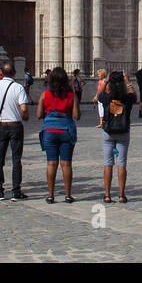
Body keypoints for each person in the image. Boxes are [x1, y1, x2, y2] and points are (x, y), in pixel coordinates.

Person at [37, 66, 80, 202]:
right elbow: (76, 116)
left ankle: (50, 195)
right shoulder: (71, 95)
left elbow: (38, 115)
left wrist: (49, 113)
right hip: (66, 130)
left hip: (50, 130)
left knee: (51, 163)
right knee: (66, 164)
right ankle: (68, 195)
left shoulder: (45, 95)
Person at [0, 61, 29, 200]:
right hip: (15, 126)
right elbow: (24, 109)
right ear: (14, 73)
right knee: (16, 159)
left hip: (0, 125)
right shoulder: (18, 87)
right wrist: (25, 115)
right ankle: (15, 191)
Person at [97, 70, 136, 202]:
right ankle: (121, 195)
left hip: (108, 132)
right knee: (121, 164)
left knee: (108, 163)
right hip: (123, 133)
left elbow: (99, 95)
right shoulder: (127, 99)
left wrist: (106, 81)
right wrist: (128, 81)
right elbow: (134, 95)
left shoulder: (107, 98)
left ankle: (107, 195)